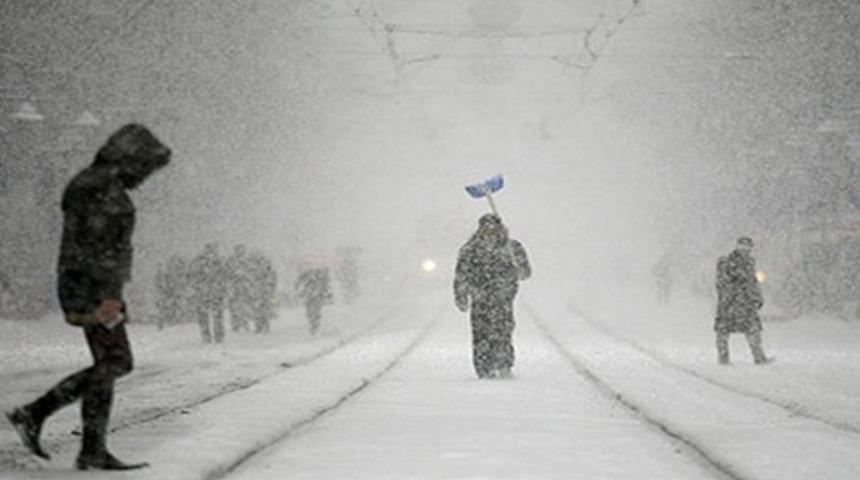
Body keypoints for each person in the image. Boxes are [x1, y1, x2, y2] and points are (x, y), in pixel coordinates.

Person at [5, 124, 170, 470]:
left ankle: (92, 448)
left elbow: (98, 246)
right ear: (131, 159)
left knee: (107, 363)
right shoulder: (102, 188)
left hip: (85, 285)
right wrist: (109, 295)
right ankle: (35, 413)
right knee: (116, 362)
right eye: (145, 167)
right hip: (93, 290)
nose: (145, 177)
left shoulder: (93, 182)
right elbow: (103, 249)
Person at [454, 213, 531, 379]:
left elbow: (525, 273)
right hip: (479, 299)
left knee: (503, 332)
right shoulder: (470, 249)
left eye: (493, 227)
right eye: (485, 228)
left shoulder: (512, 248)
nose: (489, 231)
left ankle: (504, 365)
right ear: (480, 229)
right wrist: (461, 295)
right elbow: (461, 274)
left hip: (503, 298)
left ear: (500, 228)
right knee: (481, 334)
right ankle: (484, 368)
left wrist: (519, 264)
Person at [715, 236, 772, 365]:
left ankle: (759, 357)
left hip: (746, 302)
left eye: (748, 247)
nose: (745, 250)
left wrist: (757, 296)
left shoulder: (750, 262)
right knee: (723, 331)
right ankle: (723, 358)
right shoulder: (726, 262)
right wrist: (729, 295)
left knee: (753, 330)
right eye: (742, 246)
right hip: (730, 301)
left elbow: (753, 282)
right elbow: (724, 281)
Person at [189, 242, 228, 343]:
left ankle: (209, 336)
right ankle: (216, 336)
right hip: (211, 292)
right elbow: (192, 276)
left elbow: (191, 277)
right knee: (214, 315)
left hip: (207, 292)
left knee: (207, 316)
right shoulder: (218, 262)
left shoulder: (199, 261)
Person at [295, 267, 332, 334]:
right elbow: (326, 287)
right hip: (312, 296)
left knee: (313, 310)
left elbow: (326, 287)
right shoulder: (318, 276)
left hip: (314, 296)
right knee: (312, 310)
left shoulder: (318, 275)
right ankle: (314, 323)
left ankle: (314, 324)